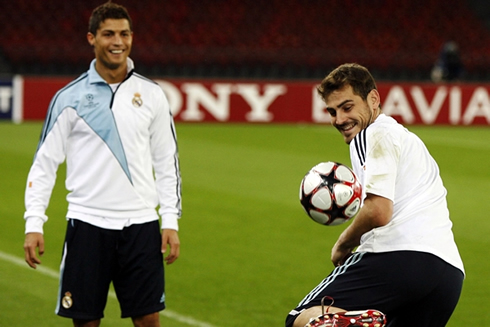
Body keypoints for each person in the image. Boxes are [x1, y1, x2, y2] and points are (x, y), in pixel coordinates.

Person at [22, 2, 182, 326]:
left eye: (124, 34)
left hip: (141, 225)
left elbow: (167, 162)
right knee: (85, 321)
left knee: (149, 320)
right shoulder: (68, 98)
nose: (117, 41)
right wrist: (33, 223)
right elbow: (44, 165)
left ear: (132, 38)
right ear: (91, 38)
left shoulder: (152, 95)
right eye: (108, 34)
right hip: (87, 223)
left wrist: (170, 220)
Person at [286, 63, 464, 327]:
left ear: (373, 99)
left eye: (347, 107)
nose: (339, 119)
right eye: (332, 112)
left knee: (302, 319)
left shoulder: (373, 133)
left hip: (396, 256)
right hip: (448, 276)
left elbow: (379, 210)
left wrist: (343, 244)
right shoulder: (407, 139)